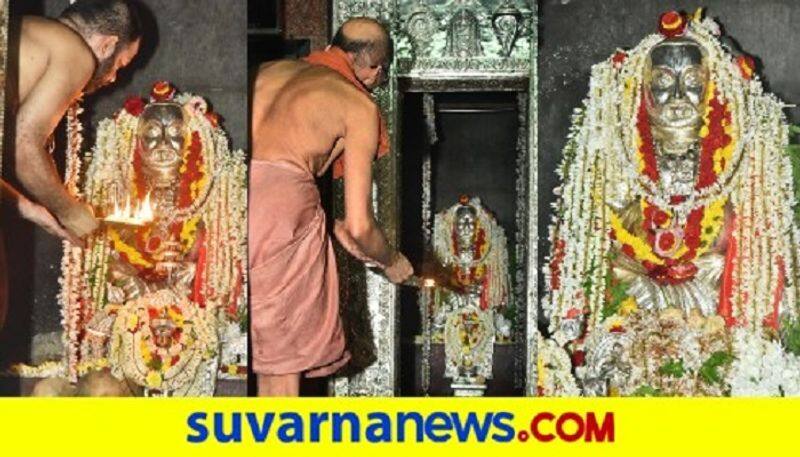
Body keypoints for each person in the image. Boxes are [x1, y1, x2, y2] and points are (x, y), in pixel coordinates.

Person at [249, 17, 413, 396]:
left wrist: (330, 226)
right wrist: (390, 260)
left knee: (238, 346)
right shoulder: (356, 103)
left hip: (230, 188)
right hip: (282, 202)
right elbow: (361, 227)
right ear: (375, 66)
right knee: (280, 365)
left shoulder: (265, 71)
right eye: (379, 73)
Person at [0, 0, 142, 330]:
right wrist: (72, 212)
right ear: (106, 44)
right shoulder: (75, 51)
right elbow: (24, 145)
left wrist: (26, 206)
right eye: (120, 64)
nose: (113, 78)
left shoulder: (30, 32)